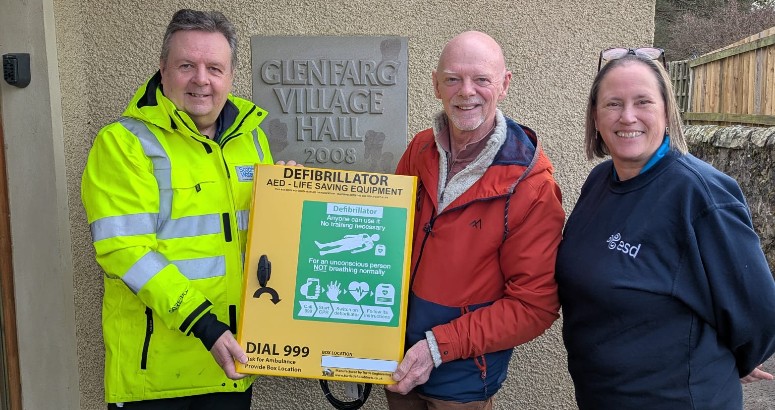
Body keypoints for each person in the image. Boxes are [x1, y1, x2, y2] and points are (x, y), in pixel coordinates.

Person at [555, 47, 775, 409]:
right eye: (613, 104)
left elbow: (759, 314)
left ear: (667, 112)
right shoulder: (598, 182)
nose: (627, 117)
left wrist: (729, 358)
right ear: (595, 117)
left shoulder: (699, 193)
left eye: (643, 102)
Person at [81, 9, 278, 409]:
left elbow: (260, 237)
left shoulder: (251, 139)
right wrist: (204, 325)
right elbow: (125, 251)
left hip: (231, 370)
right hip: (156, 376)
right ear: (163, 69)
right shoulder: (124, 144)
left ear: (231, 75)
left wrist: (288, 200)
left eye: (214, 67)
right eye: (187, 65)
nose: (201, 79)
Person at [385, 31, 566, 409]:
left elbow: (535, 306)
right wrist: (295, 194)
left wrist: (438, 348)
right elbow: (383, 234)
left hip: (464, 376)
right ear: (436, 85)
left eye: (481, 79)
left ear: (504, 84)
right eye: (453, 78)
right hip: (395, 358)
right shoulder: (420, 149)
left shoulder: (531, 185)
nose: (466, 91)